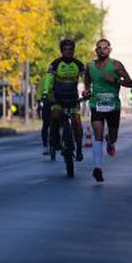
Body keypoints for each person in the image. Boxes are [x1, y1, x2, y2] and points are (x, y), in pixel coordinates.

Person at [83, 38, 132, 182]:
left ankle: (110, 142)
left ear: (110, 50)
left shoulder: (116, 65)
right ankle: (97, 168)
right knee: (97, 135)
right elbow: (87, 81)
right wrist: (86, 91)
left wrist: (116, 81)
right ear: (96, 50)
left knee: (113, 136)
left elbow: (130, 83)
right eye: (99, 48)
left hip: (113, 106)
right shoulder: (90, 66)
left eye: (105, 47)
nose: (102, 50)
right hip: (96, 104)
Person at [46, 38, 88, 172]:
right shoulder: (55, 64)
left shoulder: (78, 64)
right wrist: (46, 92)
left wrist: (87, 90)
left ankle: (79, 150)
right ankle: (54, 139)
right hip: (58, 99)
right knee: (55, 115)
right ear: (61, 51)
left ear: (74, 50)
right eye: (65, 49)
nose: (68, 52)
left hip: (73, 99)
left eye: (71, 49)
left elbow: (86, 79)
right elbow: (48, 79)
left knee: (77, 121)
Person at [37, 68, 55, 154]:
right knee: (56, 123)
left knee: (45, 125)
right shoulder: (56, 78)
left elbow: (39, 91)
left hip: (46, 103)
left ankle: (45, 146)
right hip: (55, 103)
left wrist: (38, 102)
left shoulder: (43, 78)